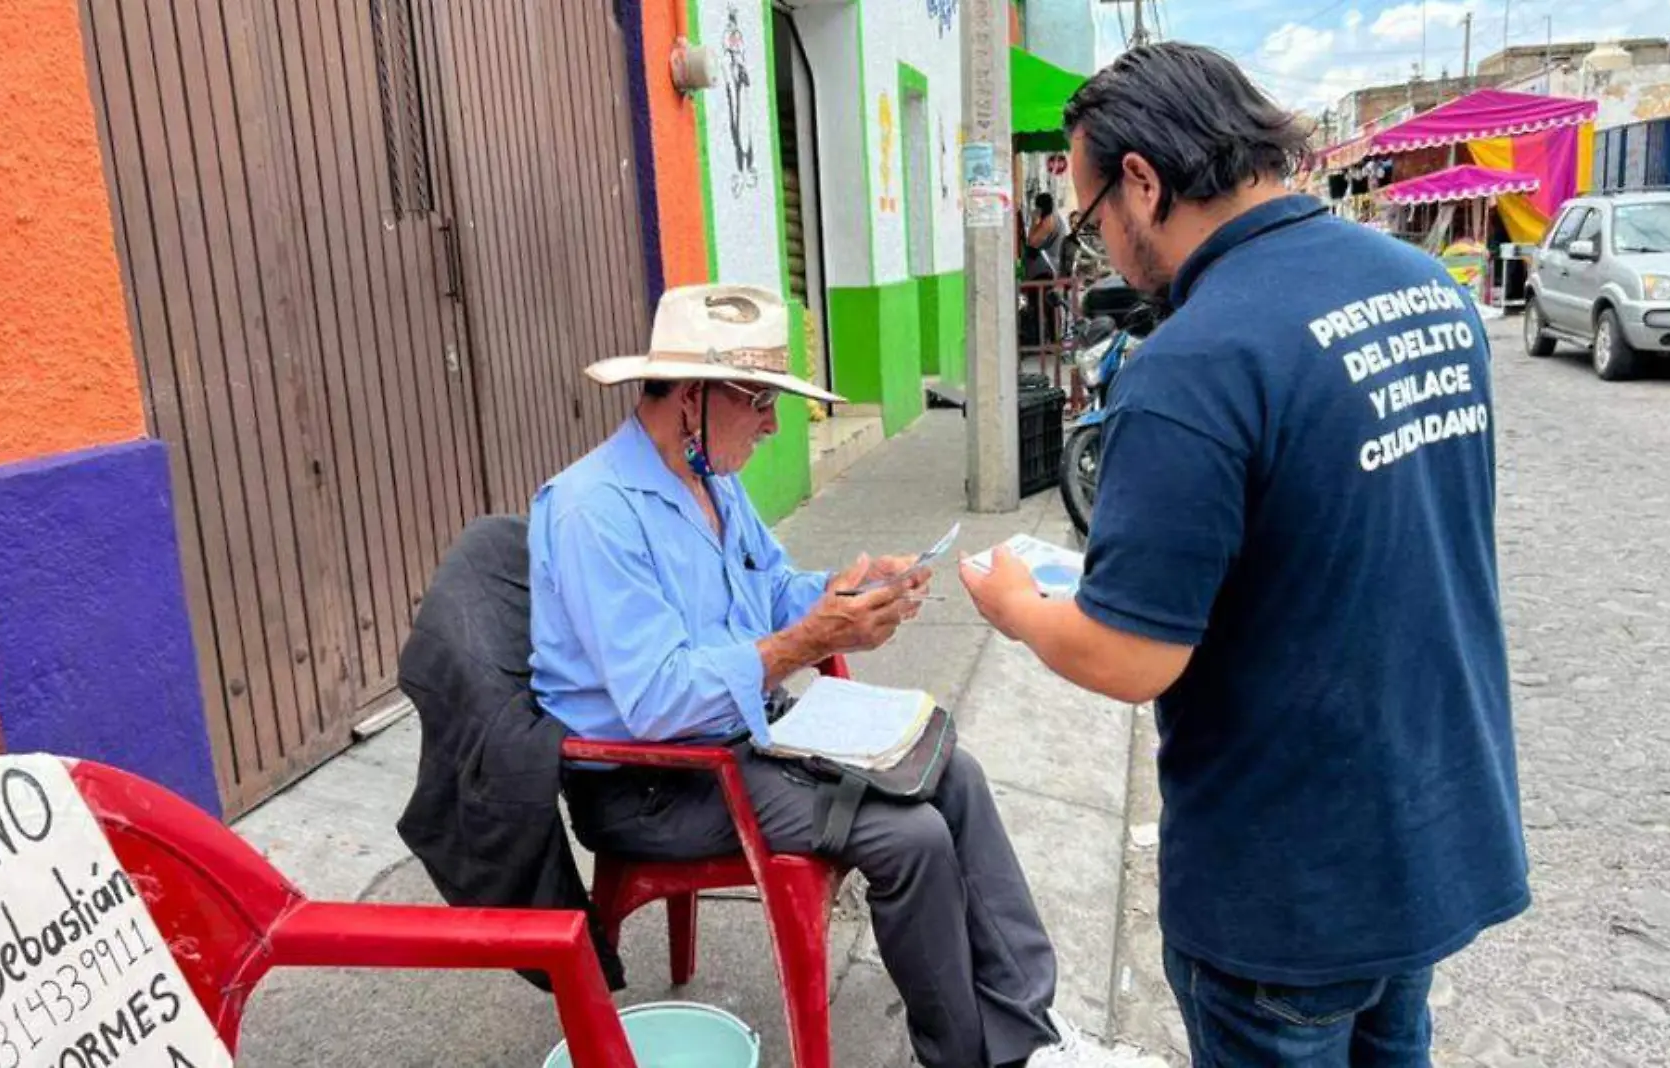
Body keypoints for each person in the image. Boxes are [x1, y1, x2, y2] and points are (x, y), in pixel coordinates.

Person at [961, 44, 1529, 1067]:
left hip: (1286, 880)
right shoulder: (1421, 289)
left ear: (1142, 181)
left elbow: (1130, 655)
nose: (1102, 252)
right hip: (1425, 824)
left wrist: (1016, 603)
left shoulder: (1195, 359)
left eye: (1091, 222)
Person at [530, 283, 1162, 1068]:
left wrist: (849, 590)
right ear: (691, 397)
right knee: (912, 837)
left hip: (745, 735)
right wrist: (803, 644)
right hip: (659, 781)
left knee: (954, 775)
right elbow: (657, 700)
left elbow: (772, 589)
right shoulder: (594, 511)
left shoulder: (712, 482)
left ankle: (1027, 1032)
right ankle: (968, 1057)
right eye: (758, 399)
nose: (772, 422)